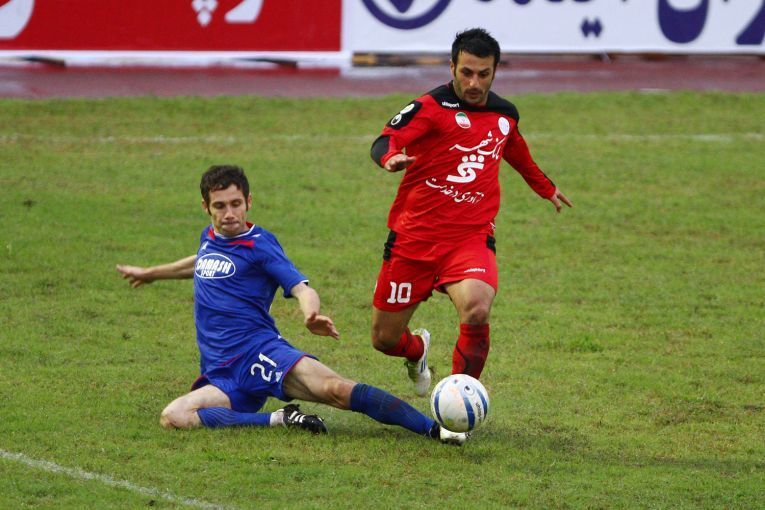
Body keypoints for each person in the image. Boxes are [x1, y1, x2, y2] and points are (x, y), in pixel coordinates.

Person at [116, 165, 467, 444]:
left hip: (260, 354)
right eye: (219, 206)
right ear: (206, 207)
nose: (229, 213)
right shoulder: (210, 238)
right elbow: (200, 261)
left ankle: (435, 430)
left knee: (336, 390)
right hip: (221, 373)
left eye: (236, 204)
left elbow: (300, 286)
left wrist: (310, 312)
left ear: (248, 201)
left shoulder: (260, 245)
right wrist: (152, 273)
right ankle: (279, 419)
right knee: (175, 416)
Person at [369, 28, 572, 396]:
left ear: (495, 71)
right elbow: (386, 139)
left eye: (483, 73)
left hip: (469, 237)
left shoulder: (504, 114)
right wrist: (390, 157)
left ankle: (459, 403)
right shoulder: (430, 107)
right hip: (413, 239)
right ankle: (417, 350)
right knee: (384, 338)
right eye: (466, 72)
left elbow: (515, 150)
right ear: (452, 67)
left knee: (477, 309)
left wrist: (545, 187)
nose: (474, 83)